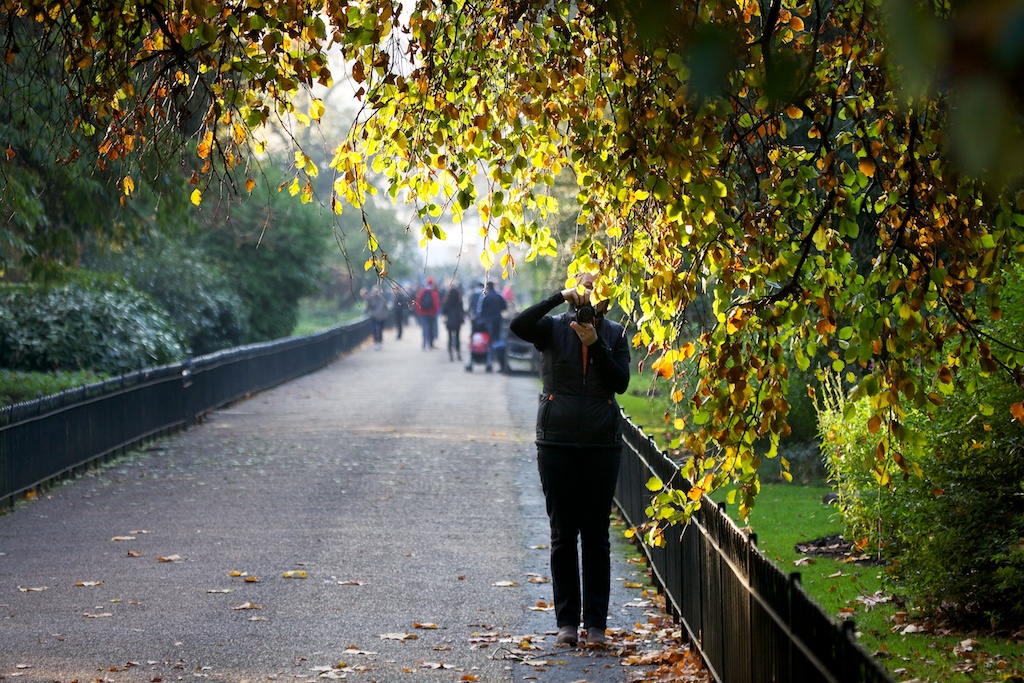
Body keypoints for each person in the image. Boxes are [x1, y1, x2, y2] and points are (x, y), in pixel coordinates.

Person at [509, 272, 630, 648]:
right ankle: (565, 624)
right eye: (582, 286)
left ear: (603, 296)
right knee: (563, 535)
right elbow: (518, 324)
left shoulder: (614, 333)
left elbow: (620, 382)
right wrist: (556, 297)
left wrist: (596, 345)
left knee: (595, 536)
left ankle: (595, 626)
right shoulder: (551, 329)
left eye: (594, 286)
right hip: (557, 442)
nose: (587, 294)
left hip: (600, 445)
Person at [467, 280, 506, 372]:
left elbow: (480, 311)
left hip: (486, 323)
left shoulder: (485, 297)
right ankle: (495, 357)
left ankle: (489, 357)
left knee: (488, 340)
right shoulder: (498, 296)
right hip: (497, 321)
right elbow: (504, 307)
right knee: (496, 339)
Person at [441, 283, 465, 361]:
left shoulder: (447, 302)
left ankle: (451, 355)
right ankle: (458, 354)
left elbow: (444, 312)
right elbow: (462, 311)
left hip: (450, 321)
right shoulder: (459, 301)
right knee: (458, 338)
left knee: (450, 338)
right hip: (457, 321)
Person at [414, 278, 441, 350]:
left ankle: (424, 344)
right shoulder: (434, 293)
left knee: (424, 328)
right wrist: (435, 312)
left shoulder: (421, 292)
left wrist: (419, 312)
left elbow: (418, 303)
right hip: (431, 313)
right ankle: (431, 344)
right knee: (431, 328)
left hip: (422, 313)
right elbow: (436, 304)